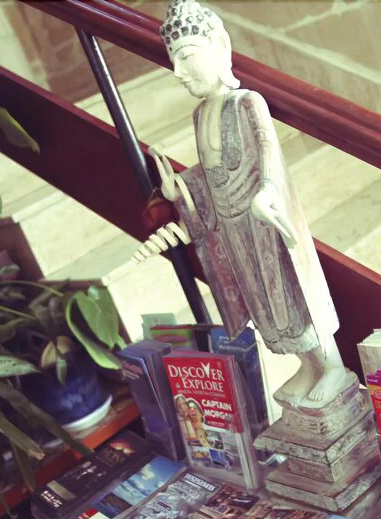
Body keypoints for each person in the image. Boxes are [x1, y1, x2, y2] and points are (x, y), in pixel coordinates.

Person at [139, 0, 354, 410]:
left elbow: (268, 148)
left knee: (291, 292)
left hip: (264, 216)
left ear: (220, 45)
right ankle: (306, 365)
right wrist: (180, 188)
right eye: (173, 60)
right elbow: (211, 172)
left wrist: (269, 190)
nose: (178, 72)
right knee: (263, 300)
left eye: (186, 56)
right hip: (233, 228)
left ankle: (332, 365)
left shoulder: (247, 102)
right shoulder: (199, 115)